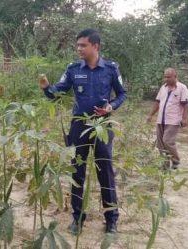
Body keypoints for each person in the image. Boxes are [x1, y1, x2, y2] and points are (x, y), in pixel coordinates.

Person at [38, 29, 127, 235]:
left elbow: (122, 94)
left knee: (105, 172)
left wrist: (111, 106)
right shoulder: (73, 69)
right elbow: (58, 92)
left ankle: (111, 219)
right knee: (77, 172)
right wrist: (46, 88)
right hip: (78, 127)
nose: (79, 49)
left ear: (95, 46)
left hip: (102, 127)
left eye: (83, 45)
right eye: (77, 45)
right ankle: (77, 218)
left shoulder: (111, 69)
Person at [146, 68, 188, 169]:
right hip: (161, 119)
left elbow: (185, 105)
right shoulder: (163, 88)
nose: (166, 79)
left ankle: (175, 160)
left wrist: (185, 119)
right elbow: (157, 102)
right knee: (160, 144)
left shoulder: (182, 88)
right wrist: (150, 115)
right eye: (165, 77)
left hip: (173, 120)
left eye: (169, 77)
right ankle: (164, 166)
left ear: (175, 76)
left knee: (167, 141)